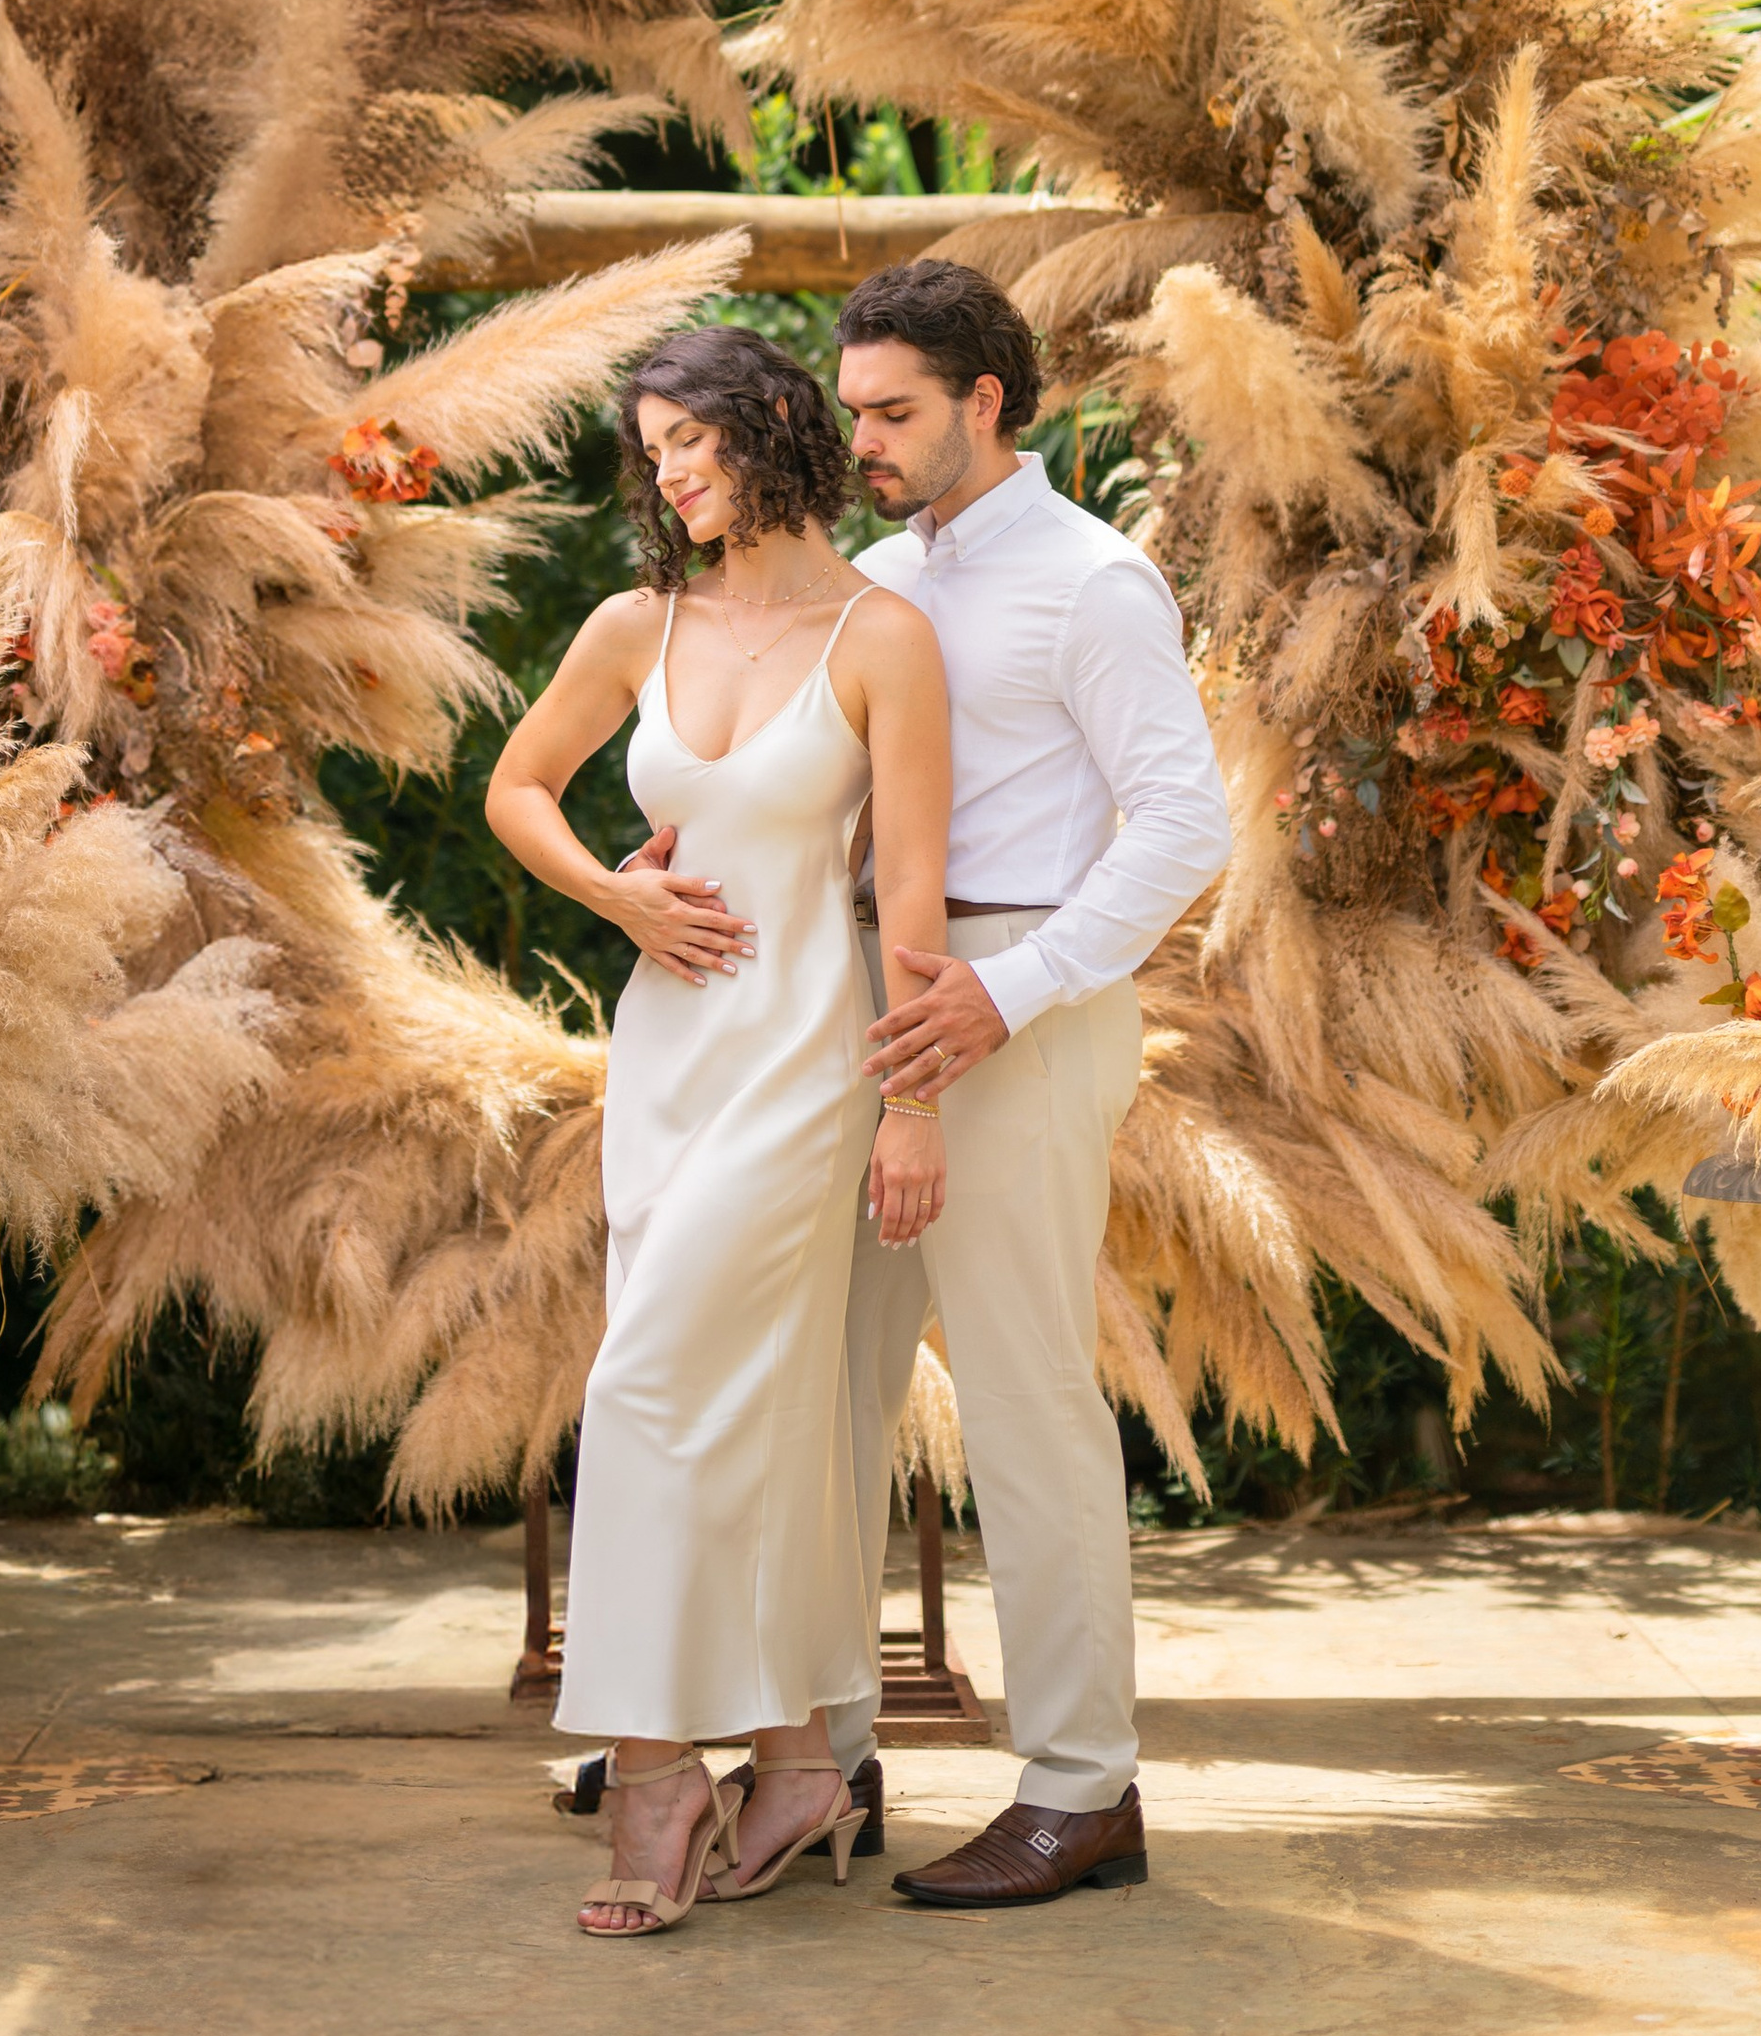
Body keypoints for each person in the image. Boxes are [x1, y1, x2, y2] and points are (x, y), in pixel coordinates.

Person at [485, 321, 952, 1937]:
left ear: (774, 429)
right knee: (754, 1414)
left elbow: (912, 897)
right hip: (669, 1058)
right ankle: (802, 1754)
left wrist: (912, 1104)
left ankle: (654, 1775)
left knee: (649, 1383)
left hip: (805, 1064)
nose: (673, 473)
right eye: (654, 450)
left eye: (694, 439)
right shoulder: (636, 622)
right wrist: (613, 891)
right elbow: (519, 788)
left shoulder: (884, 637)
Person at [827, 256, 1232, 1909]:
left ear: (987, 400)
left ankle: (1083, 1788)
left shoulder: (1093, 581)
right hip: (856, 1006)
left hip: (1022, 1001)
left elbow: (1186, 828)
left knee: (1020, 1397)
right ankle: (814, 1745)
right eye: (851, 410)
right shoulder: (861, 574)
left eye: (894, 412)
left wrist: (1012, 987)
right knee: (827, 1378)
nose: (862, 439)